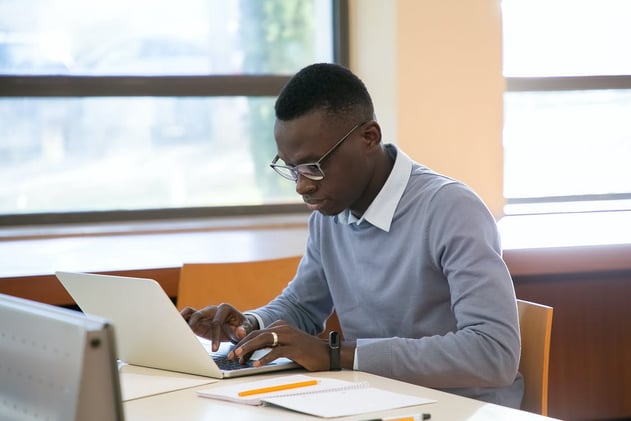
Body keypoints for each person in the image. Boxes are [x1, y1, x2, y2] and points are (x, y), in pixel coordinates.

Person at [181, 63, 524, 408]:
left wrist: (337, 355)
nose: (302, 186)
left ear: (368, 138)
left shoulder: (451, 209)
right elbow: (302, 305)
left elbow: (493, 352)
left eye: (314, 166)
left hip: (461, 408)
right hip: (376, 401)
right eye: (291, 168)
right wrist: (249, 326)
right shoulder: (331, 209)